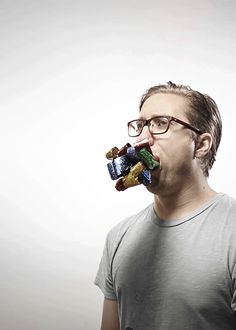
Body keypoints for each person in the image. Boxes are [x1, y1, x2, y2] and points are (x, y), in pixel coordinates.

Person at [94, 81, 236, 330]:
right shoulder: (118, 237)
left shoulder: (231, 232)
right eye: (140, 125)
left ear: (201, 145)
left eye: (161, 123)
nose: (142, 138)